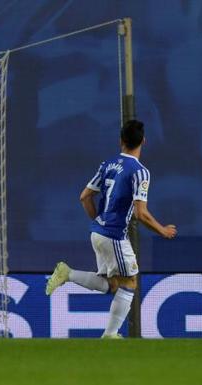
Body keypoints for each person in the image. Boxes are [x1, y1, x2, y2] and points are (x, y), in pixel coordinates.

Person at [46, 119, 177, 338]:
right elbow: (140, 213)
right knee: (131, 282)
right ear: (143, 140)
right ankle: (110, 333)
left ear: (121, 141)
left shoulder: (108, 164)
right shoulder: (140, 171)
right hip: (114, 235)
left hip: (97, 232)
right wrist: (162, 230)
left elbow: (85, 197)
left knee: (114, 284)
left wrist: (98, 220)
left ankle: (68, 273)